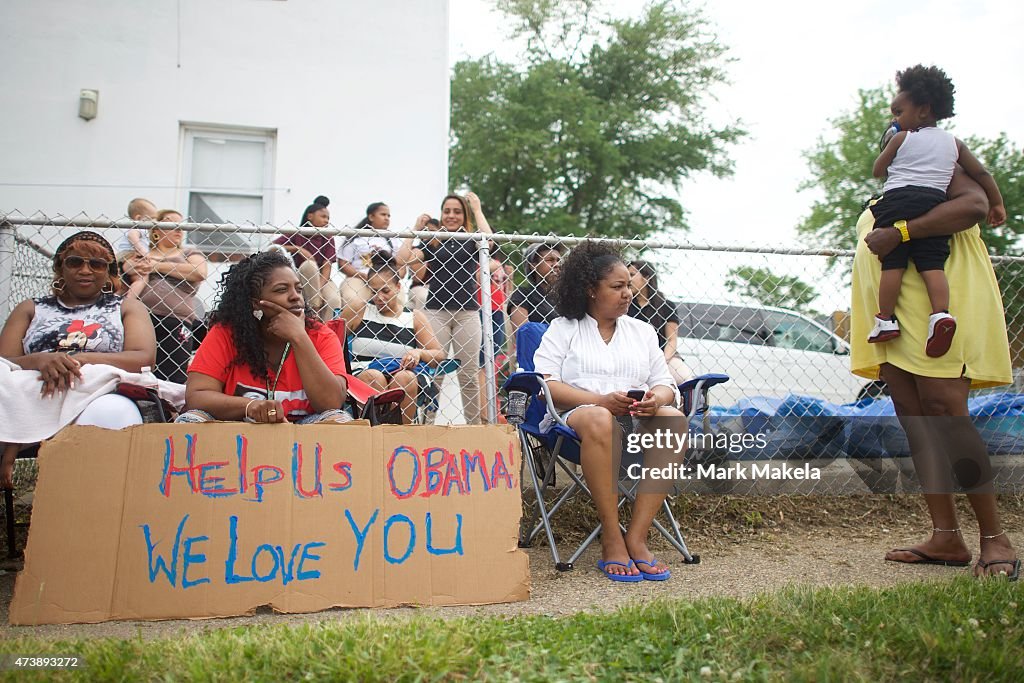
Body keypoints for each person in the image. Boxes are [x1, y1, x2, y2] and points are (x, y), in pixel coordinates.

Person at [853, 166, 1018, 580]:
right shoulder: (896, 184)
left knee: (945, 411)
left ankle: (995, 539)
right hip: (891, 320)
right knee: (916, 419)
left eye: (902, 116)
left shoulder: (943, 166)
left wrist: (902, 234)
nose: (895, 131)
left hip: (934, 315)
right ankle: (945, 537)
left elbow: (976, 205)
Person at [533, 241, 684, 582]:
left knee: (673, 419)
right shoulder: (564, 328)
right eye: (617, 287)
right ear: (590, 290)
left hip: (635, 420)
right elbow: (546, 385)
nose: (628, 293)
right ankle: (611, 538)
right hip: (576, 421)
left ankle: (637, 536)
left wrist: (656, 400)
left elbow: (664, 383)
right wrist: (601, 400)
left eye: (629, 284)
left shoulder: (643, 331)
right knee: (601, 417)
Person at [868, 65, 1006, 357]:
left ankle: (885, 319)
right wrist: (997, 203)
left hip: (898, 202)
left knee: (893, 262)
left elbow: (877, 170)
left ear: (922, 110)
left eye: (898, 111)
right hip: (932, 203)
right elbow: (982, 174)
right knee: (932, 265)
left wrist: (891, 147)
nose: (894, 118)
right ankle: (941, 314)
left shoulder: (902, 138)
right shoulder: (954, 144)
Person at [1, 231, 158, 488]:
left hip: (96, 389)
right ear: (60, 269)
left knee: (111, 412)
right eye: (75, 262)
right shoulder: (31, 308)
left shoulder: (126, 307)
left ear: (109, 273)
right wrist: (42, 360)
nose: (85, 270)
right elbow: (6, 359)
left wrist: (75, 359)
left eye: (96, 264)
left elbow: (143, 357)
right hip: (33, 387)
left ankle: (93, 499)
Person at [175, 251, 351, 425]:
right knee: (190, 421)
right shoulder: (227, 333)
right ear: (255, 302)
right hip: (236, 425)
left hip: (302, 430)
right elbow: (197, 396)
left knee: (340, 421)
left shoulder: (321, 335)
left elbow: (331, 403)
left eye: (298, 289)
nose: (295, 297)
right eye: (281, 290)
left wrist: (299, 338)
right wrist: (250, 406)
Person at [397, 192, 493, 425]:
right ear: (441, 214)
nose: (451, 215)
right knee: (433, 374)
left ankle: (474, 428)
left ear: (464, 215)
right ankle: (426, 426)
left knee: (468, 375)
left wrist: (477, 209)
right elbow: (402, 259)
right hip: (436, 311)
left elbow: (489, 241)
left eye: (457, 211)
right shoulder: (435, 240)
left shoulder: (471, 239)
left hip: (467, 312)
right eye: (447, 211)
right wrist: (416, 229)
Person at [341, 255, 447, 424]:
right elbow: (331, 337)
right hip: (364, 372)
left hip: (401, 373)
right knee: (374, 377)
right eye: (374, 291)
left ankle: (398, 434)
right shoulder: (359, 310)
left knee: (405, 378)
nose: (379, 297)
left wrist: (418, 353)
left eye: (385, 291)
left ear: (398, 287)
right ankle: (376, 432)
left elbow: (438, 354)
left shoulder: (413, 317)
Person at [137, 209, 208, 383]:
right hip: (141, 319)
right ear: (156, 231)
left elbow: (199, 272)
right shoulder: (141, 254)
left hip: (176, 321)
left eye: (181, 225)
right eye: (171, 224)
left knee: (173, 377)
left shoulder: (189, 253)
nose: (178, 229)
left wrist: (156, 266)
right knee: (137, 373)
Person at [273, 195, 341, 321]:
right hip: (298, 277)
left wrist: (318, 289)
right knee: (309, 265)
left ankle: (325, 331)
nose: (326, 221)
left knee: (334, 299)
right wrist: (297, 249)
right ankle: (313, 313)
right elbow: (273, 247)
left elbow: (327, 268)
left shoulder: (328, 238)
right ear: (310, 216)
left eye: (328, 218)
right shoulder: (296, 232)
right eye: (323, 216)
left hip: (322, 279)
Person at [628, 260, 694, 384]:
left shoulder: (666, 306)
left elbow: (672, 339)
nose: (628, 280)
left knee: (683, 378)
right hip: (632, 356)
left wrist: (662, 361)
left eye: (631, 275)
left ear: (646, 278)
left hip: (663, 355)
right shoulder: (625, 305)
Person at [337, 202, 405, 310]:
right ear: (371, 217)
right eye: (383, 215)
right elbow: (343, 264)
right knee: (352, 298)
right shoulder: (356, 237)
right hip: (358, 278)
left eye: (388, 216)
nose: (387, 218)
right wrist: (363, 276)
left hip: (386, 280)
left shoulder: (393, 239)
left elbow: (401, 266)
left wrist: (391, 278)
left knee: (400, 300)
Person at [406, 217, 439, 311]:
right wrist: (425, 247)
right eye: (425, 231)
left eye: (432, 231)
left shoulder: (444, 250)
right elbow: (418, 277)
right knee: (424, 296)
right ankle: (424, 325)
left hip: (438, 287)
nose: (428, 234)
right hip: (420, 287)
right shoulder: (416, 250)